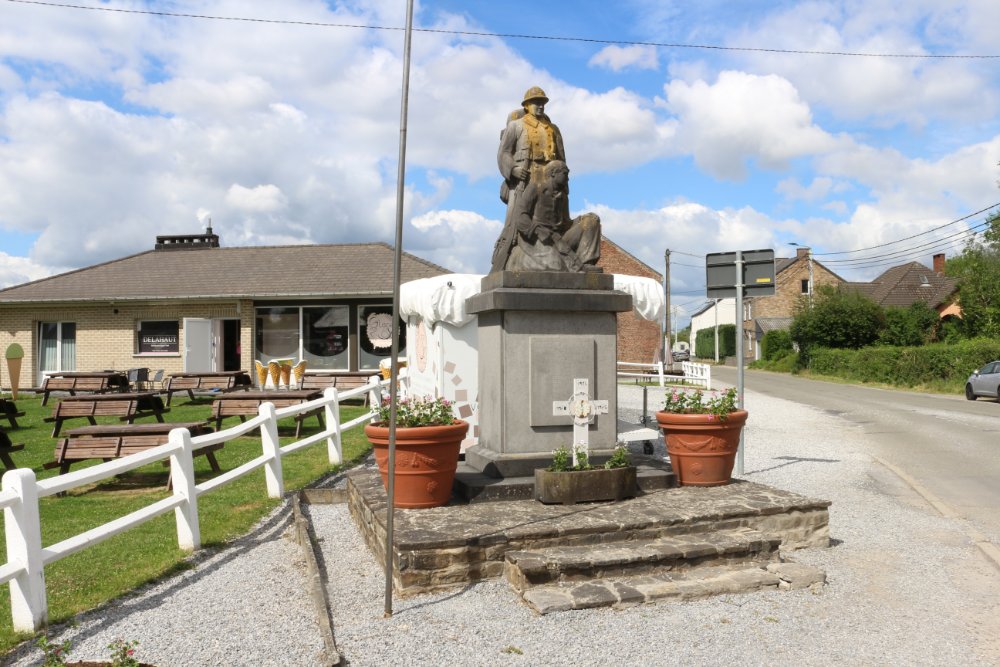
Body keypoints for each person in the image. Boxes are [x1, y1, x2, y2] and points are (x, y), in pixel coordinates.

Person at [491, 86, 601, 273]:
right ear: (526, 106)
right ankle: (508, 255)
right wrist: (514, 170)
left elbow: (561, 156)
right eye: (536, 103)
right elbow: (504, 154)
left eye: (542, 103)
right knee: (516, 221)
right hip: (525, 178)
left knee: (558, 218)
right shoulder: (516, 127)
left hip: (551, 178)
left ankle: (579, 260)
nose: (540, 106)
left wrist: (563, 182)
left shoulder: (553, 129)